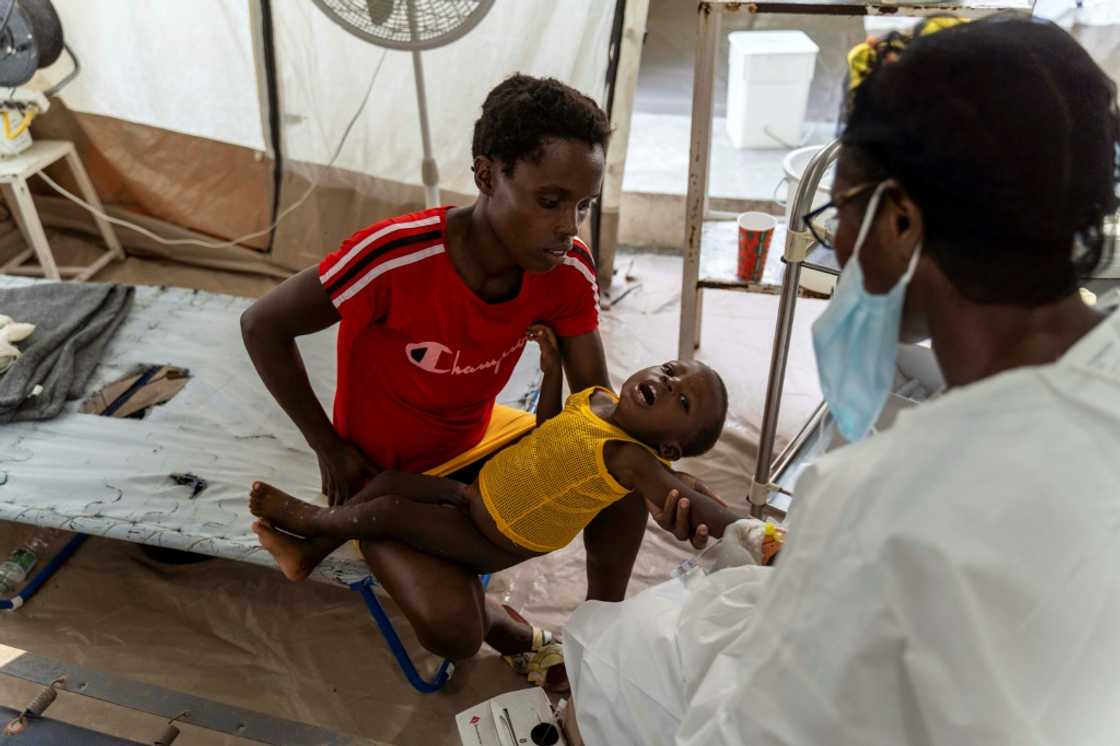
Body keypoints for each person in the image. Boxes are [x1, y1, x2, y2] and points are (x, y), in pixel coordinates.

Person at [563, 16, 1120, 745]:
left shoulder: (880, 499)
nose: (839, 244)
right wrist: (753, 541)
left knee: (606, 683)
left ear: (898, 221)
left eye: (839, 211)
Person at [241, 73, 711, 673]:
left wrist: (670, 484)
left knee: (625, 466)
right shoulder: (396, 256)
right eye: (550, 201)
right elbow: (261, 325)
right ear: (487, 175)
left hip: (487, 445)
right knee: (454, 633)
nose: (570, 226)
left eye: (583, 205)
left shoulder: (564, 267)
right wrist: (330, 449)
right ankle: (497, 618)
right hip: (385, 472)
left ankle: (601, 638)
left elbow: (600, 406)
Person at [246, 326, 730, 577]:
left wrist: (757, 532)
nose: (667, 383)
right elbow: (548, 430)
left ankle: (310, 522)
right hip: (475, 494)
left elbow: (696, 504)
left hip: (497, 535)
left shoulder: (632, 459)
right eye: (671, 369)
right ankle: (310, 553)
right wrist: (550, 370)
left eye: (682, 401)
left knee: (390, 511)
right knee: (387, 482)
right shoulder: (597, 399)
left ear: (668, 447)